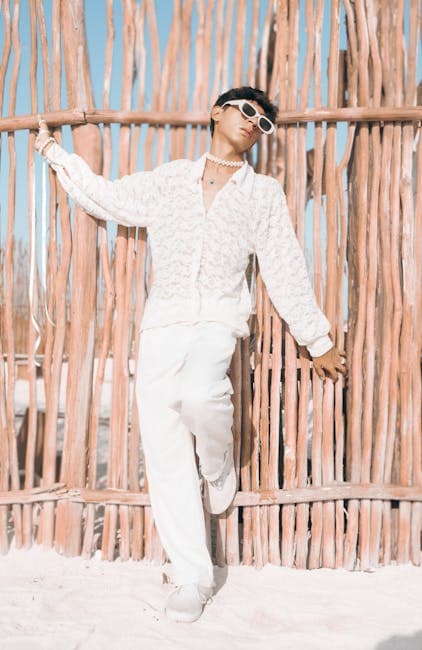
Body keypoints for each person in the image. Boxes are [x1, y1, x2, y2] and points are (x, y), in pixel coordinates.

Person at [35, 86, 346, 623]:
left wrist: (316, 339)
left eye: (264, 122)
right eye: (247, 110)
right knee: (163, 446)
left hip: (218, 322)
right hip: (161, 325)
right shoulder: (171, 179)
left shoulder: (263, 194)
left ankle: (218, 465)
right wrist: (54, 155)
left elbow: (284, 267)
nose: (254, 122)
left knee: (202, 395)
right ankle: (192, 575)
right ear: (217, 112)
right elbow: (107, 197)